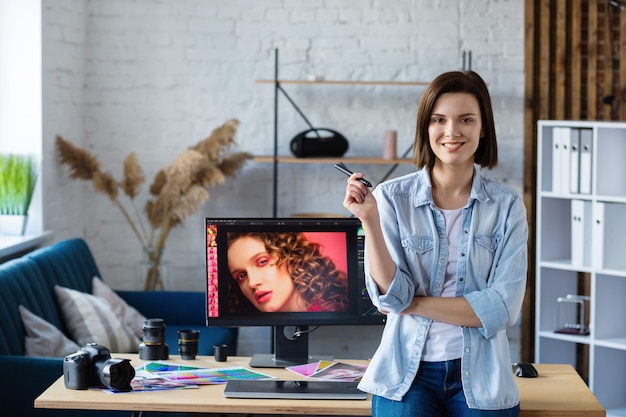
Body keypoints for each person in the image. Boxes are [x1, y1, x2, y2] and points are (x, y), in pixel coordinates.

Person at [342, 70, 528, 416]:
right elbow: (387, 295)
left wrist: (411, 303)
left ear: (483, 127)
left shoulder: (507, 205)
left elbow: (501, 309)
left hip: (483, 377)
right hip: (406, 375)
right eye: (439, 119)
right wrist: (369, 220)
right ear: (426, 128)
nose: (451, 132)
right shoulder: (390, 199)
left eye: (466, 120)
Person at [226, 231, 349, 313]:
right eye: (241, 276)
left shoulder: (335, 310)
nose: (252, 283)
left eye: (262, 262)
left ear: (290, 256)